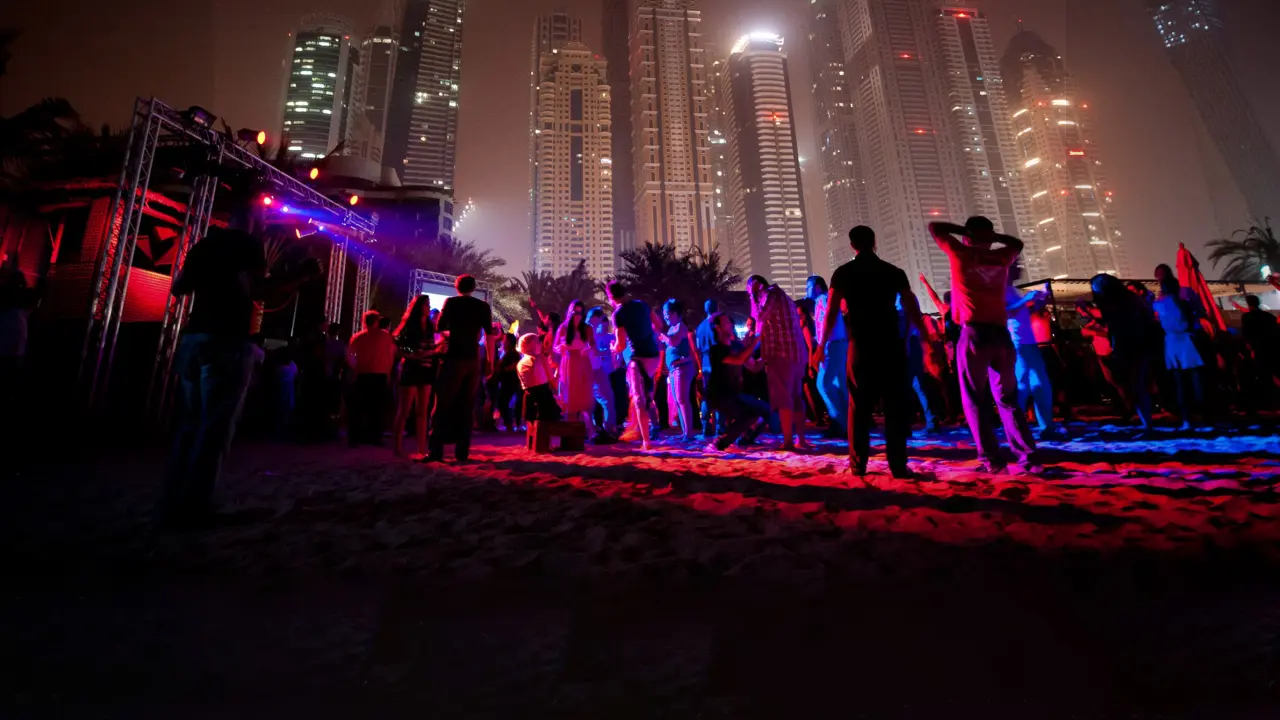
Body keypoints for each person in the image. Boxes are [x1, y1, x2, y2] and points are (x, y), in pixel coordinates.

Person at [162, 189, 319, 527]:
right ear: (254, 219)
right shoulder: (248, 245)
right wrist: (300, 278)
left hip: (193, 339)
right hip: (228, 341)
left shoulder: (205, 244)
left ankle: (172, 500)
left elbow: (178, 288)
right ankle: (197, 505)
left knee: (189, 424)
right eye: (263, 219)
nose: (265, 226)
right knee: (215, 427)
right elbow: (256, 291)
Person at [929, 217, 1039, 473]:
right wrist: (991, 238)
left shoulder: (960, 253)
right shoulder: (1001, 258)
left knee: (974, 399)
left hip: (974, 334)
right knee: (1008, 400)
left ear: (968, 236)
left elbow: (935, 228)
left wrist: (968, 234)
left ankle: (991, 460)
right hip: (1001, 335)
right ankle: (1027, 455)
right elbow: (1017, 243)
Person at [816, 226, 922, 478]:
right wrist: (925, 340)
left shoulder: (843, 273)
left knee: (858, 407)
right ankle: (897, 465)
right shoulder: (893, 272)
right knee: (894, 407)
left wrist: (820, 346)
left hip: (860, 345)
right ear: (874, 242)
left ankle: (858, 465)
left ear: (852, 245)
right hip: (890, 344)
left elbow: (830, 312)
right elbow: (911, 309)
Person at [424, 275, 493, 462]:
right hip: (473, 359)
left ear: (456, 286)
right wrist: (490, 361)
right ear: (474, 287)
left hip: (454, 358)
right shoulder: (483, 306)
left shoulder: (451, 302)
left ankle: (435, 451)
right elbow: (489, 336)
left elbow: (440, 326)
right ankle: (462, 453)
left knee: (442, 405)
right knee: (466, 406)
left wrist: (452, 332)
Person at [746, 275, 810, 451]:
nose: (750, 295)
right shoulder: (784, 297)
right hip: (796, 353)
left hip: (781, 354)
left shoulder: (769, 294)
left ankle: (789, 441)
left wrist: (753, 295)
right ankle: (801, 439)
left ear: (757, 286)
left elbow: (758, 316)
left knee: (783, 398)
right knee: (796, 396)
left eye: (749, 290)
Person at [1092, 273, 1154, 430]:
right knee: (1135, 384)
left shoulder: (1115, 303)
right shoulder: (1130, 299)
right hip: (1136, 343)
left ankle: (1145, 422)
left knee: (1134, 385)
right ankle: (1145, 421)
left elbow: (1112, 321)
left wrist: (1087, 309)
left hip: (1129, 345)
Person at [1006, 266, 1061, 439]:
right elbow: (1004, 313)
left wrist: (1039, 303)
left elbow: (1021, 312)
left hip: (1029, 342)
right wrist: (1026, 300)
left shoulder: (1013, 290)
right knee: (1022, 386)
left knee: (1041, 385)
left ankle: (1046, 428)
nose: (1019, 269)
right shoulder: (999, 290)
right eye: (1015, 266)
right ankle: (1015, 429)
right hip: (1016, 344)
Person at [704, 312, 770, 451]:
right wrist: (756, 340)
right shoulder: (716, 349)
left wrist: (766, 356)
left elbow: (754, 367)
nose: (731, 324)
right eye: (726, 322)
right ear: (717, 327)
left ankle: (744, 439)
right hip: (718, 395)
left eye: (730, 322)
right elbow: (739, 359)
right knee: (749, 413)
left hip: (734, 393)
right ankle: (721, 442)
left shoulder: (737, 346)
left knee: (763, 408)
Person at [608, 281, 662, 451]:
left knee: (639, 398)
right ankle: (651, 428)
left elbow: (621, 345)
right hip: (653, 355)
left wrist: (612, 348)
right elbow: (658, 325)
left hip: (637, 358)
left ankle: (646, 441)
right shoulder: (643, 305)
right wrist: (646, 333)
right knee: (646, 395)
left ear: (610, 296)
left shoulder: (618, 313)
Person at [1154, 275, 1205, 430]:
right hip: (1187, 339)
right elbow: (1194, 319)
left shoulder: (1158, 304)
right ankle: (1200, 414)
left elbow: (1155, 318)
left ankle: (1185, 418)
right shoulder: (1183, 303)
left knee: (1179, 381)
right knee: (1196, 379)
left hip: (1171, 341)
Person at [556, 300, 610, 443]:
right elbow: (556, 347)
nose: (578, 315)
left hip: (582, 362)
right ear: (570, 312)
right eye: (575, 312)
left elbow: (592, 346)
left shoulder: (587, 328)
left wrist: (589, 350)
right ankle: (570, 434)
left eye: (580, 312)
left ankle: (590, 431)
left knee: (585, 398)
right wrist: (562, 348)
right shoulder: (563, 327)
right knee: (570, 398)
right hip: (569, 363)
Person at [391, 295, 437, 457]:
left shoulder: (430, 326)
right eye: (426, 305)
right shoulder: (410, 325)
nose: (428, 307)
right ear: (419, 306)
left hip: (426, 368)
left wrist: (432, 351)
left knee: (423, 411)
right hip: (411, 368)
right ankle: (397, 447)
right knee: (405, 410)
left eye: (429, 305)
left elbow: (431, 345)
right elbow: (399, 347)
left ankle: (422, 448)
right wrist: (414, 354)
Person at [348, 310, 398, 446]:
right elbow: (391, 355)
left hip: (363, 374)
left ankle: (355, 437)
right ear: (377, 321)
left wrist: (356, 368)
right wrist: (387, 371)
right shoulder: (385, 336)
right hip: (380, 375)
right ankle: (374, 437)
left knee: (360, 407)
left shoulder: (358, 336)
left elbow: (349, 356)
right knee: (377, 408)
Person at [808, 275, 848, 438]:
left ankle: (838, 422)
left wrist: (821, 345)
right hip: (838, 343)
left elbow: (827, 322)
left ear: (817, 286)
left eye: (808, 286)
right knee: (839, 385)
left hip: (832, 344)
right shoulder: (825, 300)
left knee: (823, 384)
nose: (807, 290)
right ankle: (846, 424)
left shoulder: (823, 300)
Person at [660, 298, 698, 442]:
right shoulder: (672, 328)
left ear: (675, 313)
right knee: (677, 400)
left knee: (682, 399)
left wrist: (662, 335)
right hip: (674, 368)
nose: (665, 316)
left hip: (682, 368)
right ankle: (685, 432)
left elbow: (673, 342)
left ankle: (689, 433)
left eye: (667, 313)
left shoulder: (681, 327)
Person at [586, 307, 618, 436]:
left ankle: (595, 429)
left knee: (595, 400)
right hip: (594, 368)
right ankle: (608, 429)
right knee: (607, 399)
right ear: (596, 318)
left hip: (593, 367)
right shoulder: (589, 329)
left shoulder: (589, 329)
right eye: (601, 319)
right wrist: (608, 352)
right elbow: (592, 351)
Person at [517, 332, 562, 423]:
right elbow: (553, 383)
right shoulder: (540, 358)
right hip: (544, 397)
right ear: (532, 345)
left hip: (529, 398)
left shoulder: (520, 363)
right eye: (538, 342)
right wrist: (558, 370)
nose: (540, 344)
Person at [694, 299, 719, 437]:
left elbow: (697, 347)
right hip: (715, 361)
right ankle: (720, 428)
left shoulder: (700, 327)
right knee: (720, 395)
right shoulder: (715, 324)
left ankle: (705, 426)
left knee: (706, 396)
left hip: (704, 363)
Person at [494, 333, 523, 431]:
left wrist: (501, 369)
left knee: (503, 402)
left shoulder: (513, 354)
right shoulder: (507, 353)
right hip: (507, 382)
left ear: (509, 342)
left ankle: (509, 425)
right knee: (503, 403)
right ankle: (509, 424)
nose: (502, 341)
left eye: (504, 339)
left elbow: (513, 367)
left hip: (510, 382)